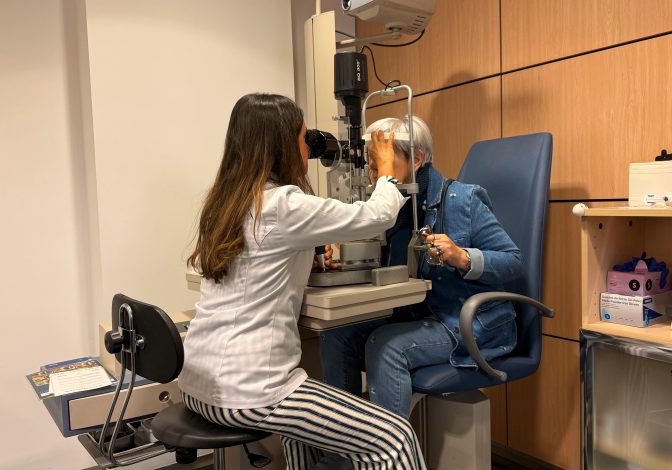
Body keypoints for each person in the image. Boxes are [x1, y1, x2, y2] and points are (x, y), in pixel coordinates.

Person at [177, 93, 426, 470]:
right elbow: (376, 217)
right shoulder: (283, 204)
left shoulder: (225, 201)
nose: (307, 148)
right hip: (248, 391)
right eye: (303, 137)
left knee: (301, 430)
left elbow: (256, 259)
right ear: (282, 145)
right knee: (394, 437)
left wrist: (303, 251)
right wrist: (389, 172)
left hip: (198, 384)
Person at [320, 116, 523, 418]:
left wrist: (462, 257)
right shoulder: (394, 208)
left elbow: (513, 260)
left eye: (382, 163)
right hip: (415, 317)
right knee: (336, 335)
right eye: (372, 165)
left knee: (386, 346)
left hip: (465, 321)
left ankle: (388, 447)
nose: (374, 173)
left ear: (415, 160)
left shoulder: (462, 200)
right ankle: (345, 441)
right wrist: (340, 255)